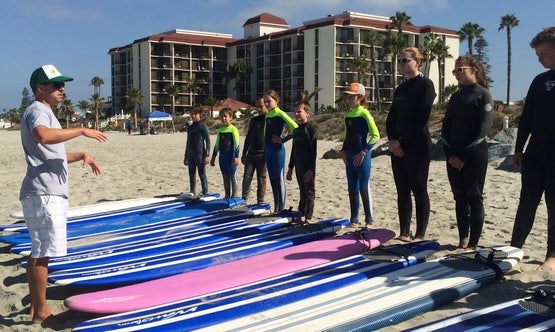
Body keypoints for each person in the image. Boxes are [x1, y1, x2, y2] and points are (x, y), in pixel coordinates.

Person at [20, 64, 107, 324]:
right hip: (44, 192)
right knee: (42, 251)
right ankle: (41, 310)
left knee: (41, 251)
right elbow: (44, 137)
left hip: (44, 190)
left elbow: (50, 152)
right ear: (40, 89)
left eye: (63, 84)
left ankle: (37, 308)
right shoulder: (38, 110)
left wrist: (80, 154)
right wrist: (81, 130)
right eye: (55, 85)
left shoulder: (44, 111)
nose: (62, 89)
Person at [510, 26, 555, 270]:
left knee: (554, 204)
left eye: (543, 54)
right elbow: (526, 117)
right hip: (535, 151)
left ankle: (552, 255)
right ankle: (515, 247)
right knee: (527, 200)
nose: (539, 59)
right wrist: (519, 148)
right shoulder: (540, 80)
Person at [441, 54, 493, 250]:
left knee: (474, 197)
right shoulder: (455, 97)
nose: (457, 74)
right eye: (455, 71)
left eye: (461, 70)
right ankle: (463, 239)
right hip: (453, 156)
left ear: (474, 70)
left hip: (474, 155)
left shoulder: (483, 95)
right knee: (459, 196)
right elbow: (446, 128)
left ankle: (473, 243)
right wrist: (450, 155)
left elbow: (483, 130)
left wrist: (463, 156)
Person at [386, 47, 436, 242]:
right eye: (399, 60)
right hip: (396, 147)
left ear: (418, 62)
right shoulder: (401, 88)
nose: (401, 64)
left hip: (418, 145)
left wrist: (401, 141)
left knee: (419, 187)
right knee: (402, 189)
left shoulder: (425, 85)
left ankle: (420, 234)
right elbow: (392, 118)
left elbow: (422, 118)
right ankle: (404, 232)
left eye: (405, 60)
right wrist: (392, 141)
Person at [341, 82, 380, 229]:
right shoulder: (347, 115)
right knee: (352, 188)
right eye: (348, 97)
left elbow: (376, 135)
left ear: (361, 97)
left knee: (363, 187)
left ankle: (369, 220)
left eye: (353, 97)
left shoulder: (365, 113)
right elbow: (346, 136)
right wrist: (344, 152)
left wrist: (364, 152)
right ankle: (354, 219)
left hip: (362, 157)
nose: (349, 99)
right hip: (349, 156)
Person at [263, 90, 298, 212]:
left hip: (278, 150)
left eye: (269, 101)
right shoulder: (268, 115)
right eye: (265, 101)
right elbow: (265, 133)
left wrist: (283, 139)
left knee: (279, 179)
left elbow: (295, 128)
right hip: (268, 150)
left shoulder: (280, 114)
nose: (267, 104)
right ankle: (276, 207)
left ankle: (281, 208)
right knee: (272, 179)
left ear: (276, 101)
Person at [286, 101, 317, 223]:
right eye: (295, 112)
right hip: (298, 166)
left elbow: (313, 152)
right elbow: (294, 151)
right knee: (302, 191)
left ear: (307, 113)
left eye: (299, 112)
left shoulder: (310, 130)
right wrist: (290, 168)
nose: (296, 114)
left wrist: (311, 170)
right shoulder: (297, 131)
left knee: (309, 191)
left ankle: (308, 217)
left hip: (307, 167)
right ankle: (301, 213)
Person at [241, 97, 268, 204]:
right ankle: (243, 199)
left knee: (261, 178)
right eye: (257, 106)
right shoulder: (254, 120)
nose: (258, 108)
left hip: (263, 155)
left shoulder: (269, 119)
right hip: (251, 153)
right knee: (247, 177)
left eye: (261, 106)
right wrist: (244, 153)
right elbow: (248, 137)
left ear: (266, 105)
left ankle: (260, 200)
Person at [211, 108, 240, 198]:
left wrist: (236, 156)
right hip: (222, 158)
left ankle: (234, 196)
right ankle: (227, 195)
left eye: (225, 116)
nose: (223, 118)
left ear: (230, 118)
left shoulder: (233, 129)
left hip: (231, 158)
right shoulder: (220, 130)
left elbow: (237, 144)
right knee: (225, 177)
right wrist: (213, 157)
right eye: (222, 116)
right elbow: (217, 145)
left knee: (233, 177)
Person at [183, 105, 210, 195]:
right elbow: (188, 142)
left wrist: (207, 155)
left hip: (200, 153)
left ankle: (205, 192)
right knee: (191, 173)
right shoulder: (190, 127)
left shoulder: (203, 127)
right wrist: (185, 156)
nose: (193, 116)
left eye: (195, 114)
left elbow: (208, 141)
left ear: (200, 114)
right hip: (191, 154)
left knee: (202, 174)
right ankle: (192, 192)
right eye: (192, 114)